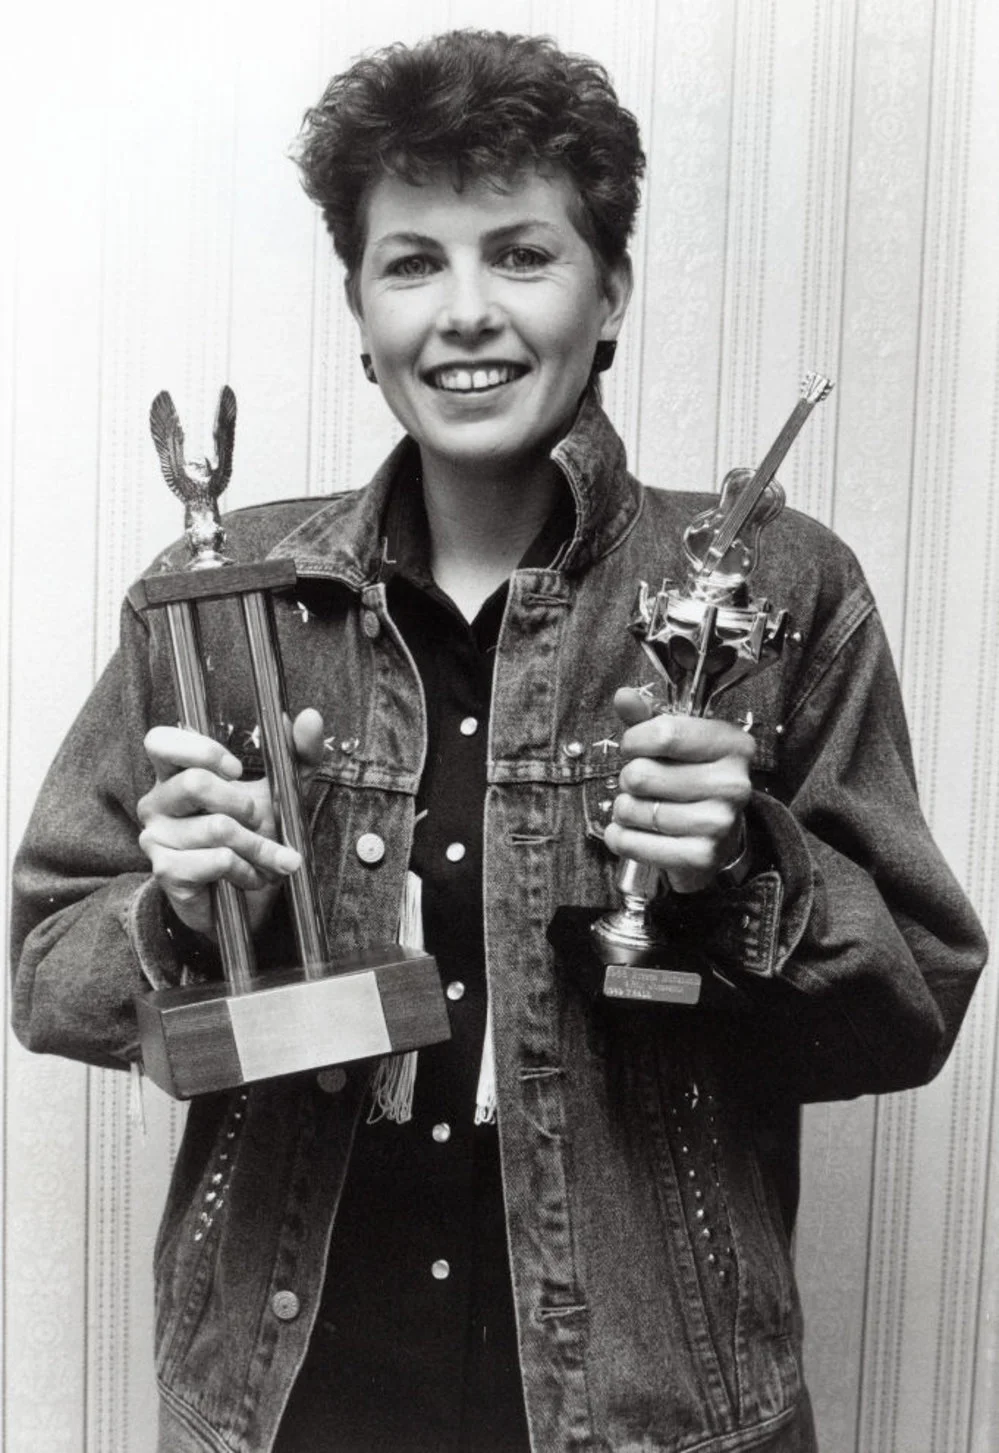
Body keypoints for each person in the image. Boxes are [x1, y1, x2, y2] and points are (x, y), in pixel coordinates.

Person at [9, 28, 986, 1453]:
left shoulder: (774, 589)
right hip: (288, 1405)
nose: (464, 313)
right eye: (412, 262)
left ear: (610, 292)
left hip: (658, 1411)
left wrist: (741, 874)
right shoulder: (224, 602)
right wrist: (176, 912)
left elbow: (909, 1011)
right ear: (358, 307)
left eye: (520, 255)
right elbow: (48, 975)